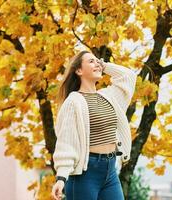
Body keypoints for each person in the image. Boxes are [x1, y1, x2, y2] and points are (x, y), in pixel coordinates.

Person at [51, 50, 137, 200]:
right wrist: (61, 177)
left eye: (97, 60)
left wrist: (103, 66)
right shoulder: (74, 102)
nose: (96, 63)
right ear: (78, 70)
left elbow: (128, 77)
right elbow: (66, 142)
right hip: (85, 173)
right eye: (91, 61)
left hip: (110, 170)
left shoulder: (108, 96)